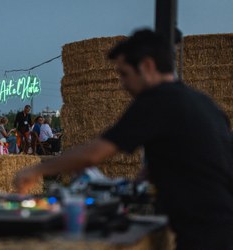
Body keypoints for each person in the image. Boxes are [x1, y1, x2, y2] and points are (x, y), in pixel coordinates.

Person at [14, 29, 233, 249]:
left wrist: (36, 171)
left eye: (124, 74)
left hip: (207, 233)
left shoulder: (156, 101)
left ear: (147, 66)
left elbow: (93, 154)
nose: (122, 83)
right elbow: (201, 156)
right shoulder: (202, 102)